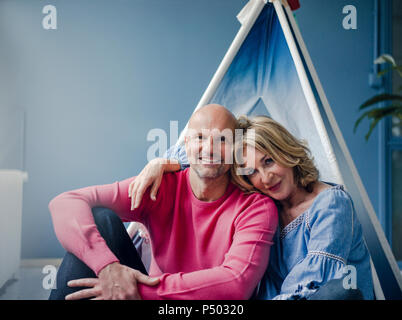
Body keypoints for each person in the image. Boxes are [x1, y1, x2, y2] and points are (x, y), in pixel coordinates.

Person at [130, 115, 374, 300]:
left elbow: (315, 282)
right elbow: (207, 149)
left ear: (286, 152)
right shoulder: (266, 206)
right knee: (106, 221)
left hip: (322, 296)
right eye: (252, 171)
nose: (266, 178)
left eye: (269, 161)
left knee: (338, 292)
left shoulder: (331, 203)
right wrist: (163, 162)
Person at [48, 104, 278, 300]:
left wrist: (134, 288)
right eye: (200, 138)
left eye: (222, 140)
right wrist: (107, 268)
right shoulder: (160, 186)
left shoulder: (256, 208)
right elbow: (65, 203)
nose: (209, 149)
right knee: (101, 219)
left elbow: (236, 283)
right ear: (186, 144)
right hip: (144, 292)